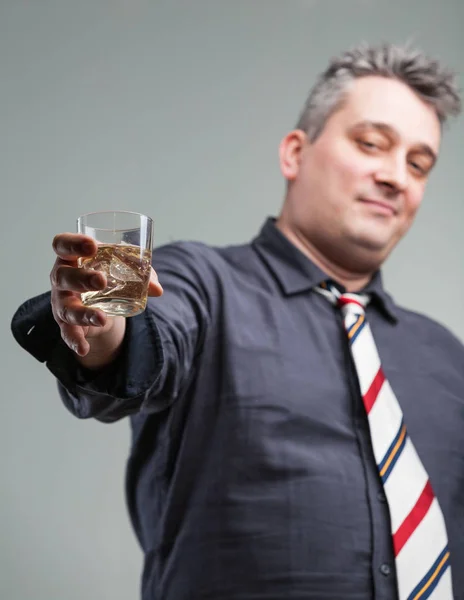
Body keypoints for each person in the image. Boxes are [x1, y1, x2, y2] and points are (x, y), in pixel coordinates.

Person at [11, 43, 463, 600]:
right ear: (296, 153)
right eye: (371, 143)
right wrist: (104, 324)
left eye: (419, 164)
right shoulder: (203, 281)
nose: (396, 176)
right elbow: (146, 336)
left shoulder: (446, 357)